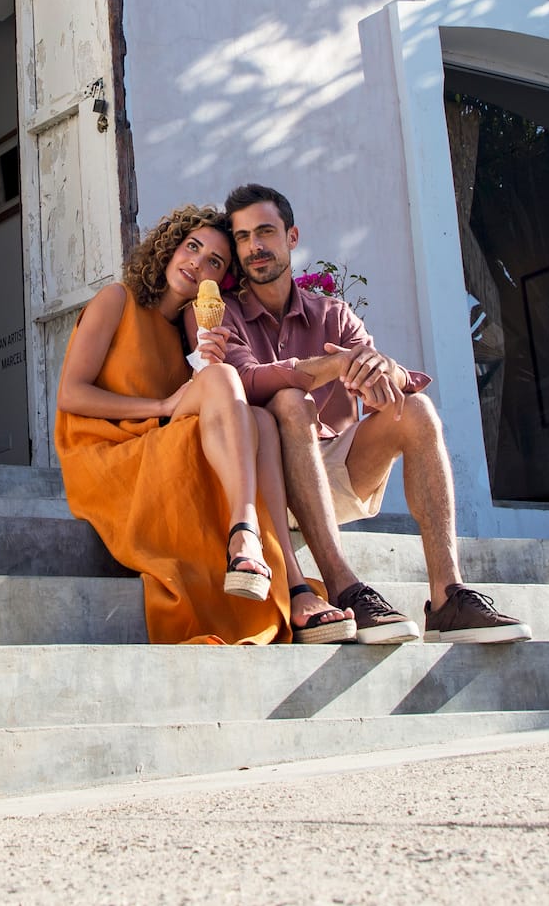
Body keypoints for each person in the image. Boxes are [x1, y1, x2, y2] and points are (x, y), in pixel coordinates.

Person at [205, 182, 531, 645]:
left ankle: (448, 596)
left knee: (415, 409)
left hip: (333, 471)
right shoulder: (226, 315)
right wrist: (330, 366)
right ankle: (345, 587)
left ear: (292, 237)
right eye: (242, 238)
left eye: (265, 232)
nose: (255, 247)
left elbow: (390, 387)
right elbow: (247, 380)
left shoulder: (333, 314)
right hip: (265, 484)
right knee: (289, 400)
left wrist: (385, 373)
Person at [57, 204, 355, 645]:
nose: (197, 263)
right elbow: (71, 395)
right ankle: (247, 536)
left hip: (160, 439)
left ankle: (289, 580)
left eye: (214, 261)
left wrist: (204, 359)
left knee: (259, 418)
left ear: (222, 279)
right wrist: (162, 403)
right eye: (192, 247)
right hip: (105, 450)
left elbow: (208, 407)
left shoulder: (193, 331)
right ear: (170, 246)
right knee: (225, 383)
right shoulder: (116, 300)